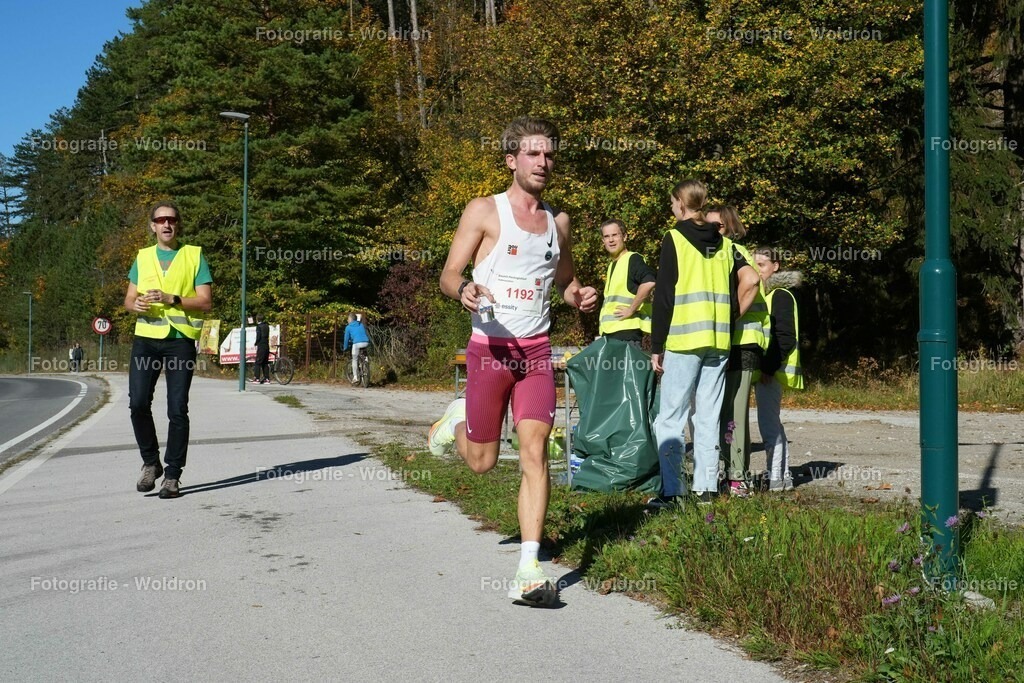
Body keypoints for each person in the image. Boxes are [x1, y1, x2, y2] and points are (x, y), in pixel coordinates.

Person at [427, 116, 598, 605]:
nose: (543, 162)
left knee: (535, 452)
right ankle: (454, 423)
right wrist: (463, 288)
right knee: (481, 463)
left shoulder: (558, 224)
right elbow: (448, 274)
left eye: (549, 155)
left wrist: (578, 296)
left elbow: (566, 282)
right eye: (533, 154)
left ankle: (529, 569)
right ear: (511, 160)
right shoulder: (484, 211)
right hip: (489, 351)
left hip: (537, 352)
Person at [649, 181, 760, 507]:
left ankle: (672, 491)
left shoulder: (675, 238)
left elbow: (665, 295)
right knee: (708, 417)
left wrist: (657, 344)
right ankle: (707, 490)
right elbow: (750, 279)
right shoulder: (725, 244)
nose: (671, 208)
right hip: (719, 341)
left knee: (669, 418)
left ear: (682, 204)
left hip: (684, 340)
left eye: (672, 202)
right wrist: (730, 319)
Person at [124, 201, 212, 499]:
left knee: (177, 409)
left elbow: (205, 302)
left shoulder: (194, 255)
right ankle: (151, 463)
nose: (166, 224)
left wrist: (171, 297)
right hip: (146, 339)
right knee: (137, 403)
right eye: (161, 220)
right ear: (152, 225)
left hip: (179, 341)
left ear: (178, 224)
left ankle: (172, 475)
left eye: (172, 220)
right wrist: (133, 304)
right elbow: (129, 299)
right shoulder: (142, 257)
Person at [705, 206, 769, 497]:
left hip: (741, 342)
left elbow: (752, 283)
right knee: (725, 411)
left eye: (716, 226)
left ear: (729, 228)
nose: (710, 232)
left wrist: (731, 320)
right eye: (705, 226)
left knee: (734, 413)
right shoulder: (720, 253)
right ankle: (730, 473)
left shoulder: (733, 250)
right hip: (732, 342)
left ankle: (738, 478)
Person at [753, 247, 804, 492]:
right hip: (768, 370)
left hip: (772, 371)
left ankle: (778, 478)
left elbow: (785, 336)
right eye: (755, 265)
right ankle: (780, 476)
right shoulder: (764, 295)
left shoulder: (780, 295)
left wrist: (769, 367)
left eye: (762, 264)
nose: (758, 270)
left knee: (769, 423)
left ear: (776, 266)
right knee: (770, 422)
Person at [598, 219, 656, 347]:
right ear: (603, 241)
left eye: (615, 235)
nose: (611, 240)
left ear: (624, 236)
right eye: (607, 237)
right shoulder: (612, 265)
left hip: (626, 335)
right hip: (611, 333)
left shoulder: (632, 259)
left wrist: (631, 309)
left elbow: (649, 281)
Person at [342, 312, 370, 385]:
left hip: (357, 343)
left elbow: (346, 339)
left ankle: (355, 377)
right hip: (366, 342)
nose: (347, 320)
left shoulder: (348, 327)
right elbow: (359, 317)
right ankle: (366, 362)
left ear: (350, 319)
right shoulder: (360, 324)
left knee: (355, 359)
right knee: (364, 353)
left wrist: (345, 347)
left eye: (348, 319)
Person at [253, 313, 271, 384]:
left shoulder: (259, 327)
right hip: (266, 345)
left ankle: (256, 378)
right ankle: (267, 379)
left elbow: (258, 336)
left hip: (261, 345)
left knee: (258, 362)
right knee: (265, 362)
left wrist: (256, 343)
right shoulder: (267, 326)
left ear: (257, 319)